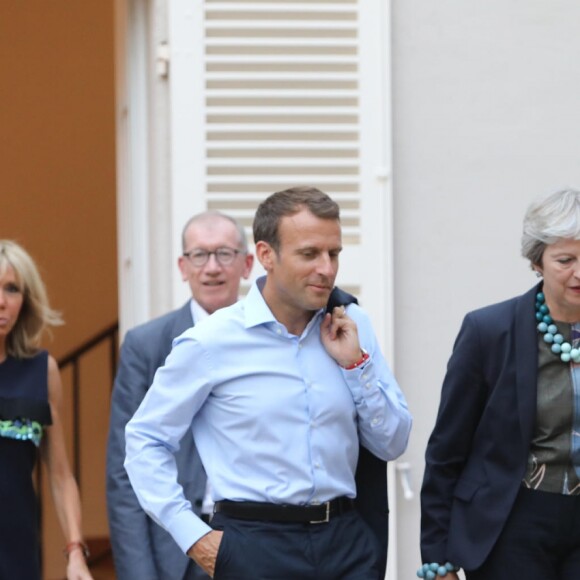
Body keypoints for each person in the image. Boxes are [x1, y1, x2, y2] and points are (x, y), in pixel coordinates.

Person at [125, 186, 412, 579]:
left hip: (347, 544)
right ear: (265, 256)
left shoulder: (352, 325)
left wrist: (355, 366)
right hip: (253, 546)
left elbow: (392, 443)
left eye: (334, 254)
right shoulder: (212, 340)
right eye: (309, 254)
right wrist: (193, 536)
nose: (326, 268)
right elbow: (145, 441)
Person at [419, 188, 580, 580]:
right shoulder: (488, 332)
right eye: (566, 259)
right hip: (511, 523)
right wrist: (438, 558)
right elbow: (446, 450)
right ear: (536, 262)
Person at [106, 211, 254, 579]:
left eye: (224, 253)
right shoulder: (146, 345)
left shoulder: (273, 339)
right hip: (174, 552)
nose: (212, 267)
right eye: (199, 255)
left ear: (247, 263)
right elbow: (124, 472)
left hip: (256, 543)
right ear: (182, 266)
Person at [0, 240, 92, 580]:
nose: (1, 302)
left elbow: (60, 474)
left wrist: (75, 553)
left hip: (18, 549)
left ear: (25, 301)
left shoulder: (41, 370)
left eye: (12, 289)